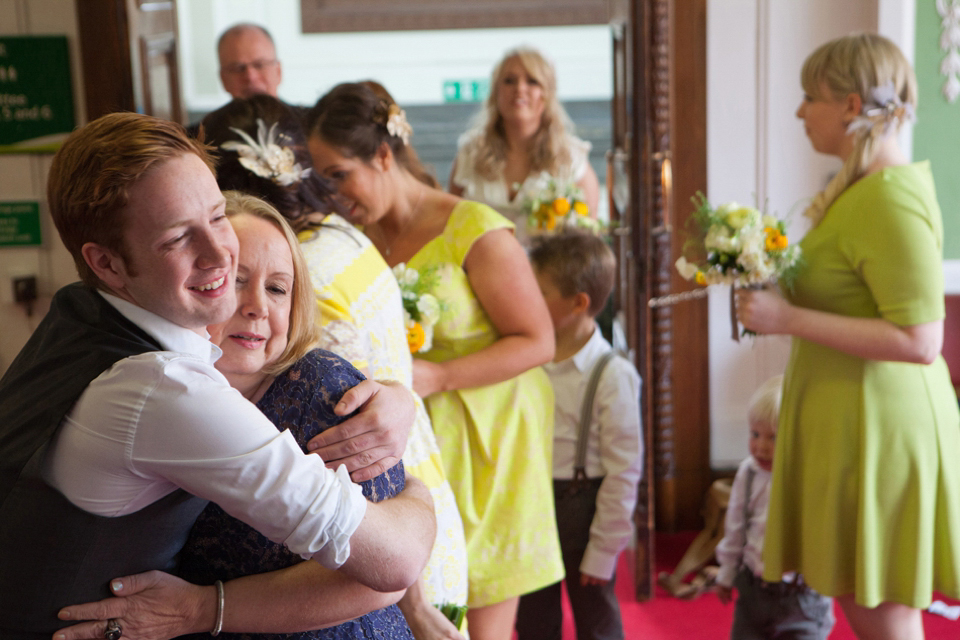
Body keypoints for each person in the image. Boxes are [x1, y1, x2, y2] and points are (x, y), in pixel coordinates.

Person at [0, 112, 434, 639]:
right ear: (107, 264)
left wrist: (397, 398)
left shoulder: (78, 318)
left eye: (216, 216)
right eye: (178, 238)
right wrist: (417, 491)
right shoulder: (162, 390)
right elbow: (393, 561)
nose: (219, 254)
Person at [202, 93, 469, 639]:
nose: (258, 301)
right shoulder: (338, 233)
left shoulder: (306, 274)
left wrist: (415, 608)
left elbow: (342, 398)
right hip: (403, 489)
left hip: (382, 536)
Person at [308, 82, 563, 640]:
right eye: (319, 178)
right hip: (414, 430)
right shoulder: (354, 237)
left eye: (337, 174)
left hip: (490, 433)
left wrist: (438, 376)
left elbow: (538, 340)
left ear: (381, 155)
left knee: (485, 592)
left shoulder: (473, 228)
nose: (329, 193)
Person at [736, 33, 960, 639]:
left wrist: (786, 319)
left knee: (882, 616)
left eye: (811, 96)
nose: (800, 112)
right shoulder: (859, 193)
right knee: (871, 611)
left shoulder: (888, 198)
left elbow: (921, 340)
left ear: (852, 105)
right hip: (855, 424)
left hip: (880, 433)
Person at [516, 231, 642, 640]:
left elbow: (625, 471)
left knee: (597, 622)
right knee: (533, 620)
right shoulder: (525, 360)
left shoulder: (611, 374)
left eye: (540, 290)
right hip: (532, 506)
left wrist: (604, 552)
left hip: (584, 510)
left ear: (579, 303)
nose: (526, 296)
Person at [715, 375, 834, 640]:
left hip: (802, 601)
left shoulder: (809, 477)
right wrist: (726, 574)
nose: (761, 447)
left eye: (773, 437)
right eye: (755, 434)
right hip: (754, 594)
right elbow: (734, 528)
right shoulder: (748, 474)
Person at [448, 47, 600, 242]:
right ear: (496, 92)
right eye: (509, 81)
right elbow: (450, 227)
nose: (520, 88)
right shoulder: (469, 153)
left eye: (532, 81)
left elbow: (589, 242)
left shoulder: (572, 159)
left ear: (547, 93)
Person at [218, 23, 283, 100]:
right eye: (238, 68)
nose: (251, 77)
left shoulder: (299, 112)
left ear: (278, 71)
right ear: (223, 79)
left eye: (260, 65)